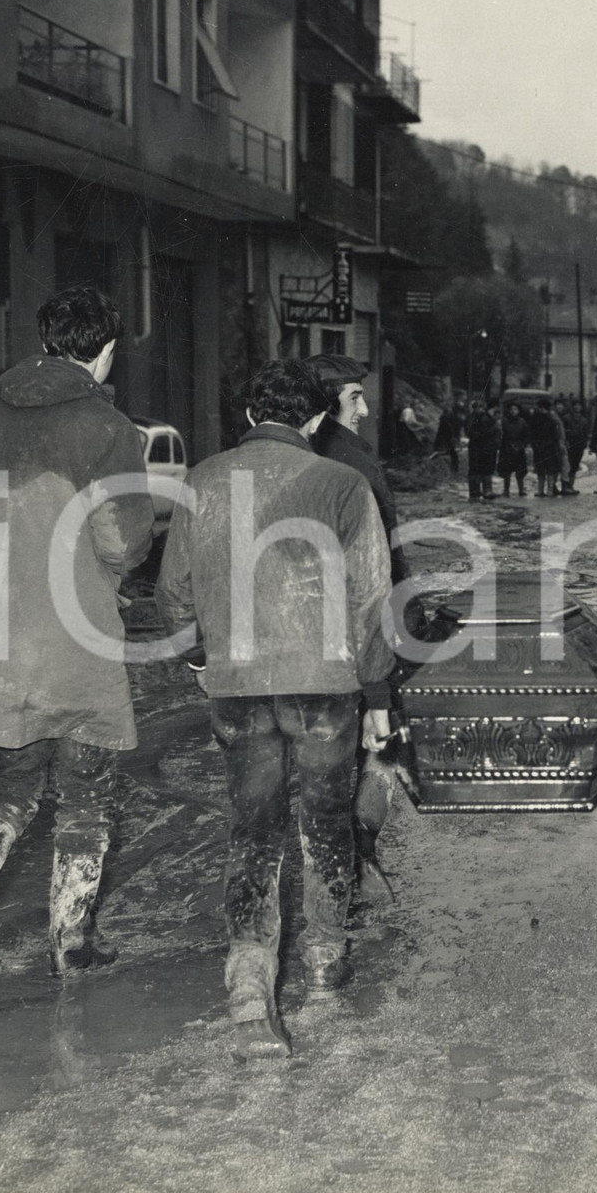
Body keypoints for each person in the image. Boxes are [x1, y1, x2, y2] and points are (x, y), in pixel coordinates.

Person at [155, 360, 395, 1061]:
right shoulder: (343, 483)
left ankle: (249, 983)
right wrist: (376, 692)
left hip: (237, 684)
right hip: (324, 684)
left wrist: (203, 660)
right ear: (317, 419)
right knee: (324, 818)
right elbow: (373, 604)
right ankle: (324, 963)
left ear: (251, 413)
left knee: (253, 826)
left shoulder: (201, 480)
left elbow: (173, 596)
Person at [0, 287, 155, 990]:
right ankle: (71, 942)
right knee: (87, 788)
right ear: (104, 350)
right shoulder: (107, 427)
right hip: (73, 637)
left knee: (12, 782)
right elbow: (123, 540)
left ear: (48, 341)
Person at [307, 354, 427, 897]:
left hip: (304, 636)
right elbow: (384, 556)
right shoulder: (352, 460)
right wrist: (410, 615)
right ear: (328, 400)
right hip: (361, 627)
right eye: (354, 397)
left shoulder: (299, 452)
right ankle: (360, 853)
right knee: (384, 743)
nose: (365, 407)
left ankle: (338, 861)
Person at [529, 398, 567, 497]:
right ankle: (544, 490)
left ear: (542, 408)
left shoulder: (550, 419)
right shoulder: (538, 418)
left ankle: (546, 490)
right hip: (543, 447)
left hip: (548, 447)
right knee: (542, 469)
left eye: (538, 406)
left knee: (548, 469)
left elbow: (556, 434)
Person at [466, 397, 500, 500]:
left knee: (486, 469)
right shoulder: (474, 418)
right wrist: (493, 428)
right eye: (479, 407)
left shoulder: (483, 418)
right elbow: (476, 433)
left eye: (482, 407)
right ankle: (476, 491)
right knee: (476, 469)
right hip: (477, 447)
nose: (482, 410)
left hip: (485, 447)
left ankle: (484, 491)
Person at [498, 401, 530, 496]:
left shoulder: (522, 422)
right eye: (511, 409)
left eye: (515, 409)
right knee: (506, 470)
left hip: (519, 448)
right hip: (506, 448)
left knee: (520, 470)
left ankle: (521, 489)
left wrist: (522, 444)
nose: (513, 411)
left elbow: (527, 436)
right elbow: (500, 435)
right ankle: (506, 490)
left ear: (519, 411)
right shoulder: (504, 421)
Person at [433, 402, 464, 474]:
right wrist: (454, 437)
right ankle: (454, 471)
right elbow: (452, 428)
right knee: (451, 454)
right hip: (447, 438)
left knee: (450, 453)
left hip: (444, 437)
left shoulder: (448, 416)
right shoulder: (452, 417)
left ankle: (453, 471)